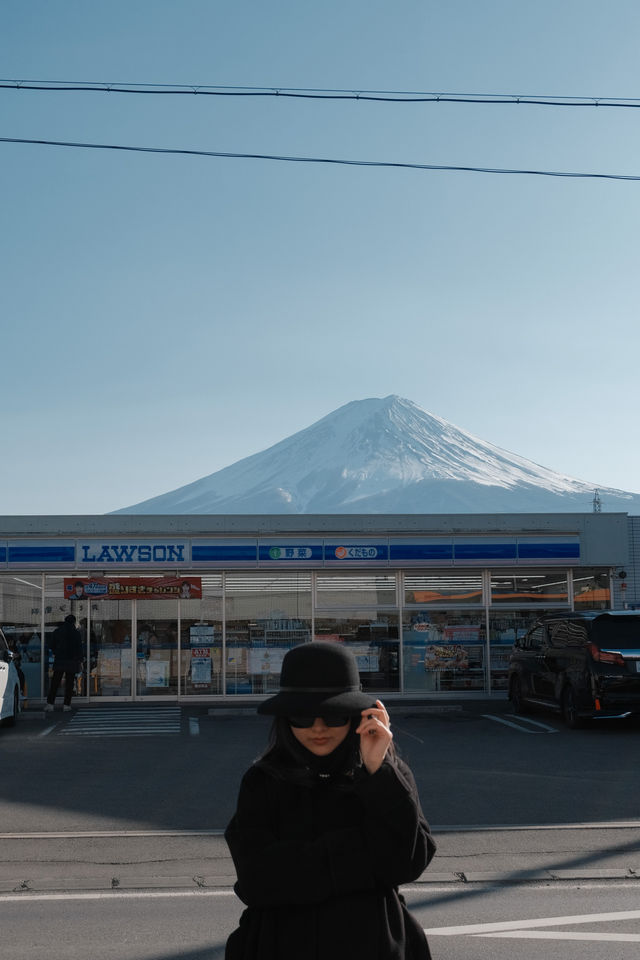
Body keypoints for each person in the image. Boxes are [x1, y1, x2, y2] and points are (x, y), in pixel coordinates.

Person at [224, 641, 436, 960]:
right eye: (302, 716)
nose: (318, 728)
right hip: (280, 946)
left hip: (375, 945)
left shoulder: (386, 773)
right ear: (285, 718)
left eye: (334, 715)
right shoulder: (264, 779)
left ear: (356, 716)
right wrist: (362, 855)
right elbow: (257, 881)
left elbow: (407, 862)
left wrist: (378, 770)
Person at [45, 614, 83, 712]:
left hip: (60, 660)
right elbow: (79, 648)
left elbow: (52, 645)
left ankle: (50, 704)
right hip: (72, 661)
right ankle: (66, 705)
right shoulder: (76, 633)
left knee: (55, 683)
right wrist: (80, 660)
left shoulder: (57, 632)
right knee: (69, 684)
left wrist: (56, 652)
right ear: (74, 622)